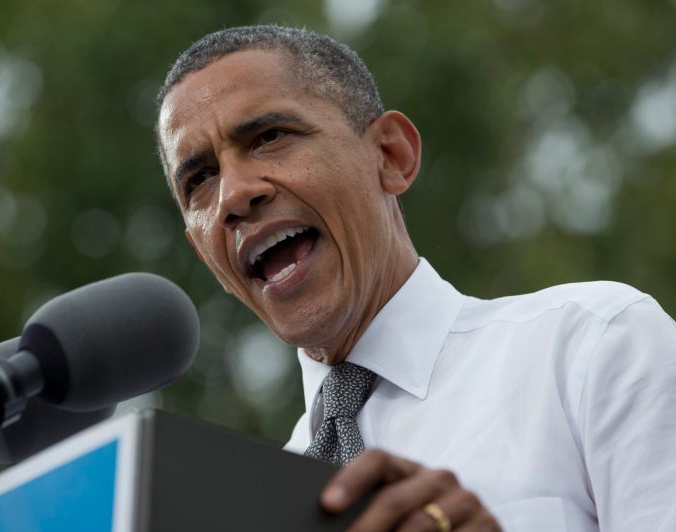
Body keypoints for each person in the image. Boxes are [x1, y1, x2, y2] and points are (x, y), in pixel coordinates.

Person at [154, 25, 676, 531]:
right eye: (200, 179)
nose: (233, 196)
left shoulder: (592, 349)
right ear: (206, 256)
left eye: (269, 136)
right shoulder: (251, 508)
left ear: (391, 156)